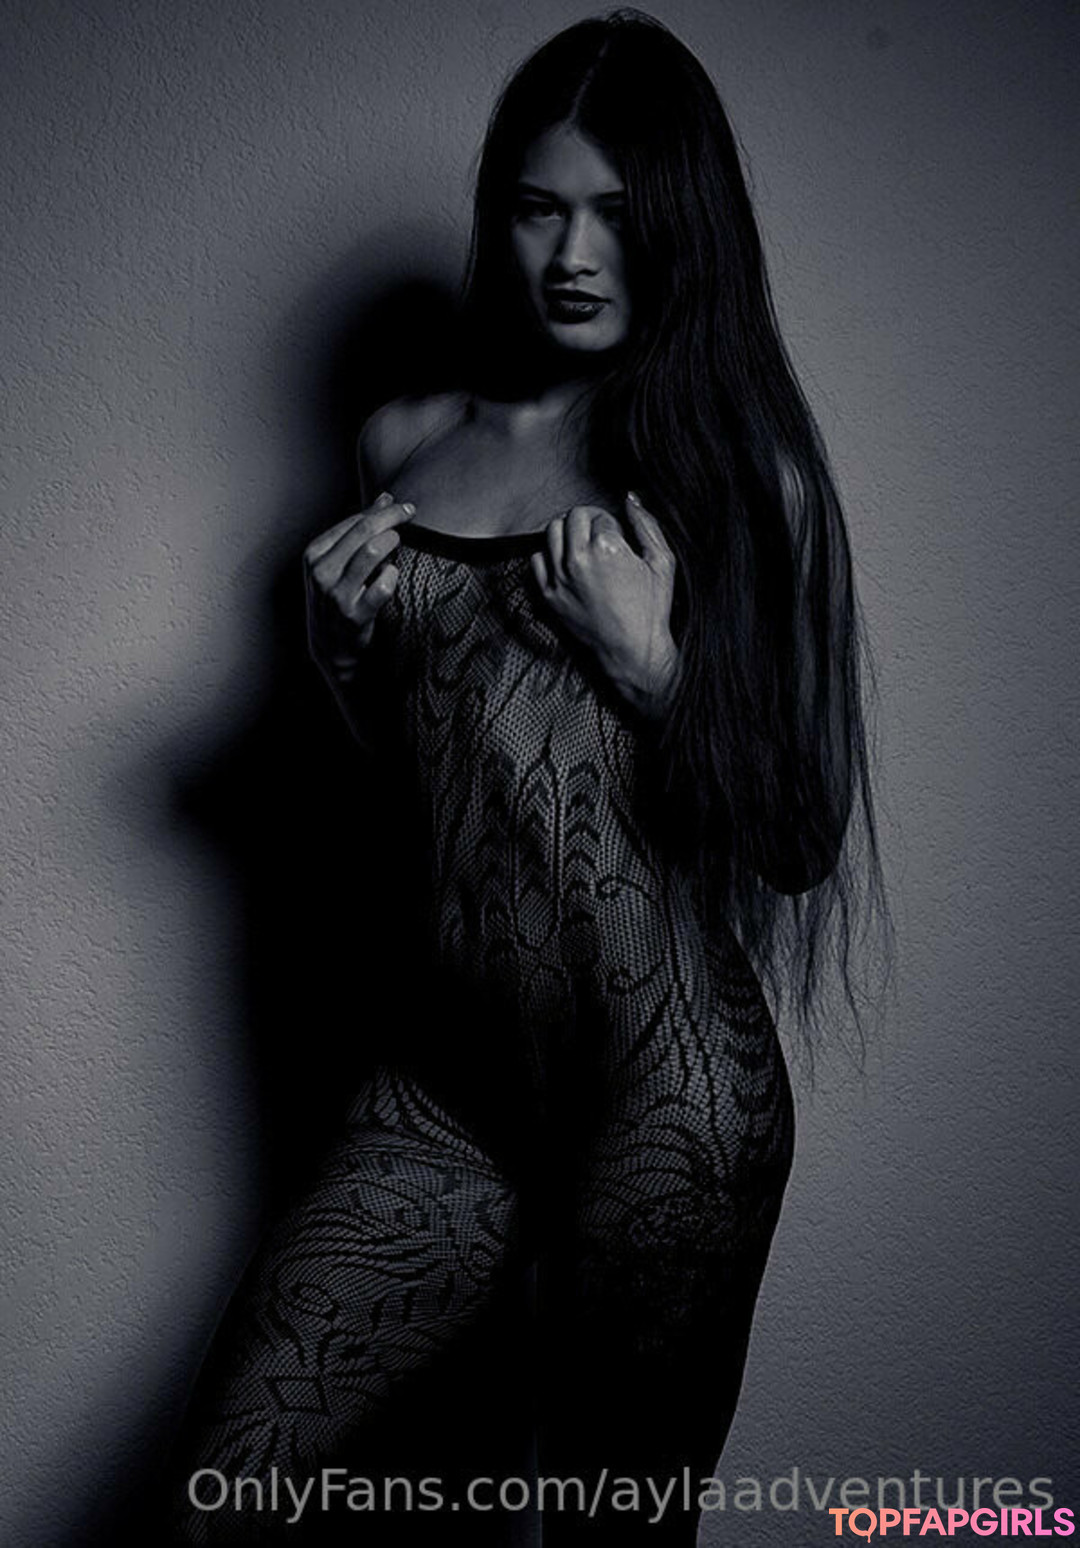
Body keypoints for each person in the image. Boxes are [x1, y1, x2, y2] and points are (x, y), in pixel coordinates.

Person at [165, 10, 887, 1545]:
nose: (573, 253)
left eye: (616, 215)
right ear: (497, 214)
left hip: (670, 1106)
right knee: (215, 1494)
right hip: (442, 1101)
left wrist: (653, 664)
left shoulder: (742, 474)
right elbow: (433, 794)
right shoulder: (404, 440)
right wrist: (340, 663)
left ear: (680, 226)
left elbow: (802, 837)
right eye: (539, 207)